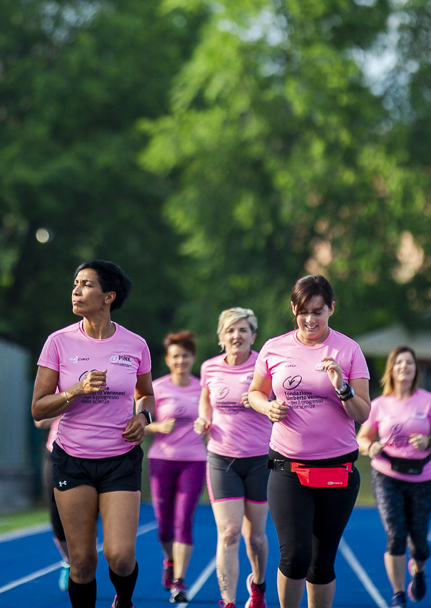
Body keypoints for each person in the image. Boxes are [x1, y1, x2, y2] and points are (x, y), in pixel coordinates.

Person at [31, 260, 155, 608]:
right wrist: (76, 390)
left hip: (120, 459)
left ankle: (124, 601)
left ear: (108, 297)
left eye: (86, 284)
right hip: (72, 459)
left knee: (120, 557)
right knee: (82, 562)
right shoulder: (58, 342)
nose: (76, 290)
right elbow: (38, 408)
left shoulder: (136, 345)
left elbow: (145, 393)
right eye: (75, 283)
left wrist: (143, 416)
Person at [248, 275, 370, 608]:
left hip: (336, 469)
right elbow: (256, 392)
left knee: (321, 561)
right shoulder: (274, 348)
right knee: (295, 556)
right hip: (288, 466)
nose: (310, 319)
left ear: (332, 308)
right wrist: (268, 406)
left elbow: (362, 413)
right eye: (303, 311)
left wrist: (341, 386)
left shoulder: (348, 350)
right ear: (293, 309)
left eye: (318, 311)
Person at [357, 347, 431, 607]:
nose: (404, 367)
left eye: (409, 363)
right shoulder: (379, 405)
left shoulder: (429, 401)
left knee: (419, 541)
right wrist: (370, 447)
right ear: (391, 369)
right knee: (396, 534)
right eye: (399, 362)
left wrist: (429, 440)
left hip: (422, 477)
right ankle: (398, 594)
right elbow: (362, 438)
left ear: (415, 369)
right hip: (387, 475)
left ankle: (418, 570)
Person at [194, 307, 272, 608]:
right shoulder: (209, 368)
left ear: (253, 336)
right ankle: (227, 602)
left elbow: (280, 402)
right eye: (230, 330)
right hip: (221, 458)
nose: (236, 335)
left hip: (259, 460)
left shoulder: (264, 367)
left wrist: (260, 402)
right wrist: (203, 420)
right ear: (221, 337)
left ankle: (259, 584)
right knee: (228, 533)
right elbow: (205, 402)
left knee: (256, 538)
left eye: (242, 330)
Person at [145, 330, 206, 604]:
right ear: (168, 360)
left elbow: (214, 418)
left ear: (193, 358)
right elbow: (137, 424)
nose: (181, 360)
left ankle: (180, 581)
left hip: (194, 461)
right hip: (162, 460)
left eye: (185, 355)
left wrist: (205, 425)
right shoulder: (157, 388)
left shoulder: (203, 388)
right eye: (175, 356)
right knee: (163, 527)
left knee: (184, 522)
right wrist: (158, 426)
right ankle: (170, 561)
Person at [34, 414, 72, 591]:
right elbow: (40, 421)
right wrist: (65, 401)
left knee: (85, 516)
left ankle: (84, 561)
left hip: (89, 456)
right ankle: (68, 561)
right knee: (56, 516)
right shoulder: (57, 386)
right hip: (56, 455)